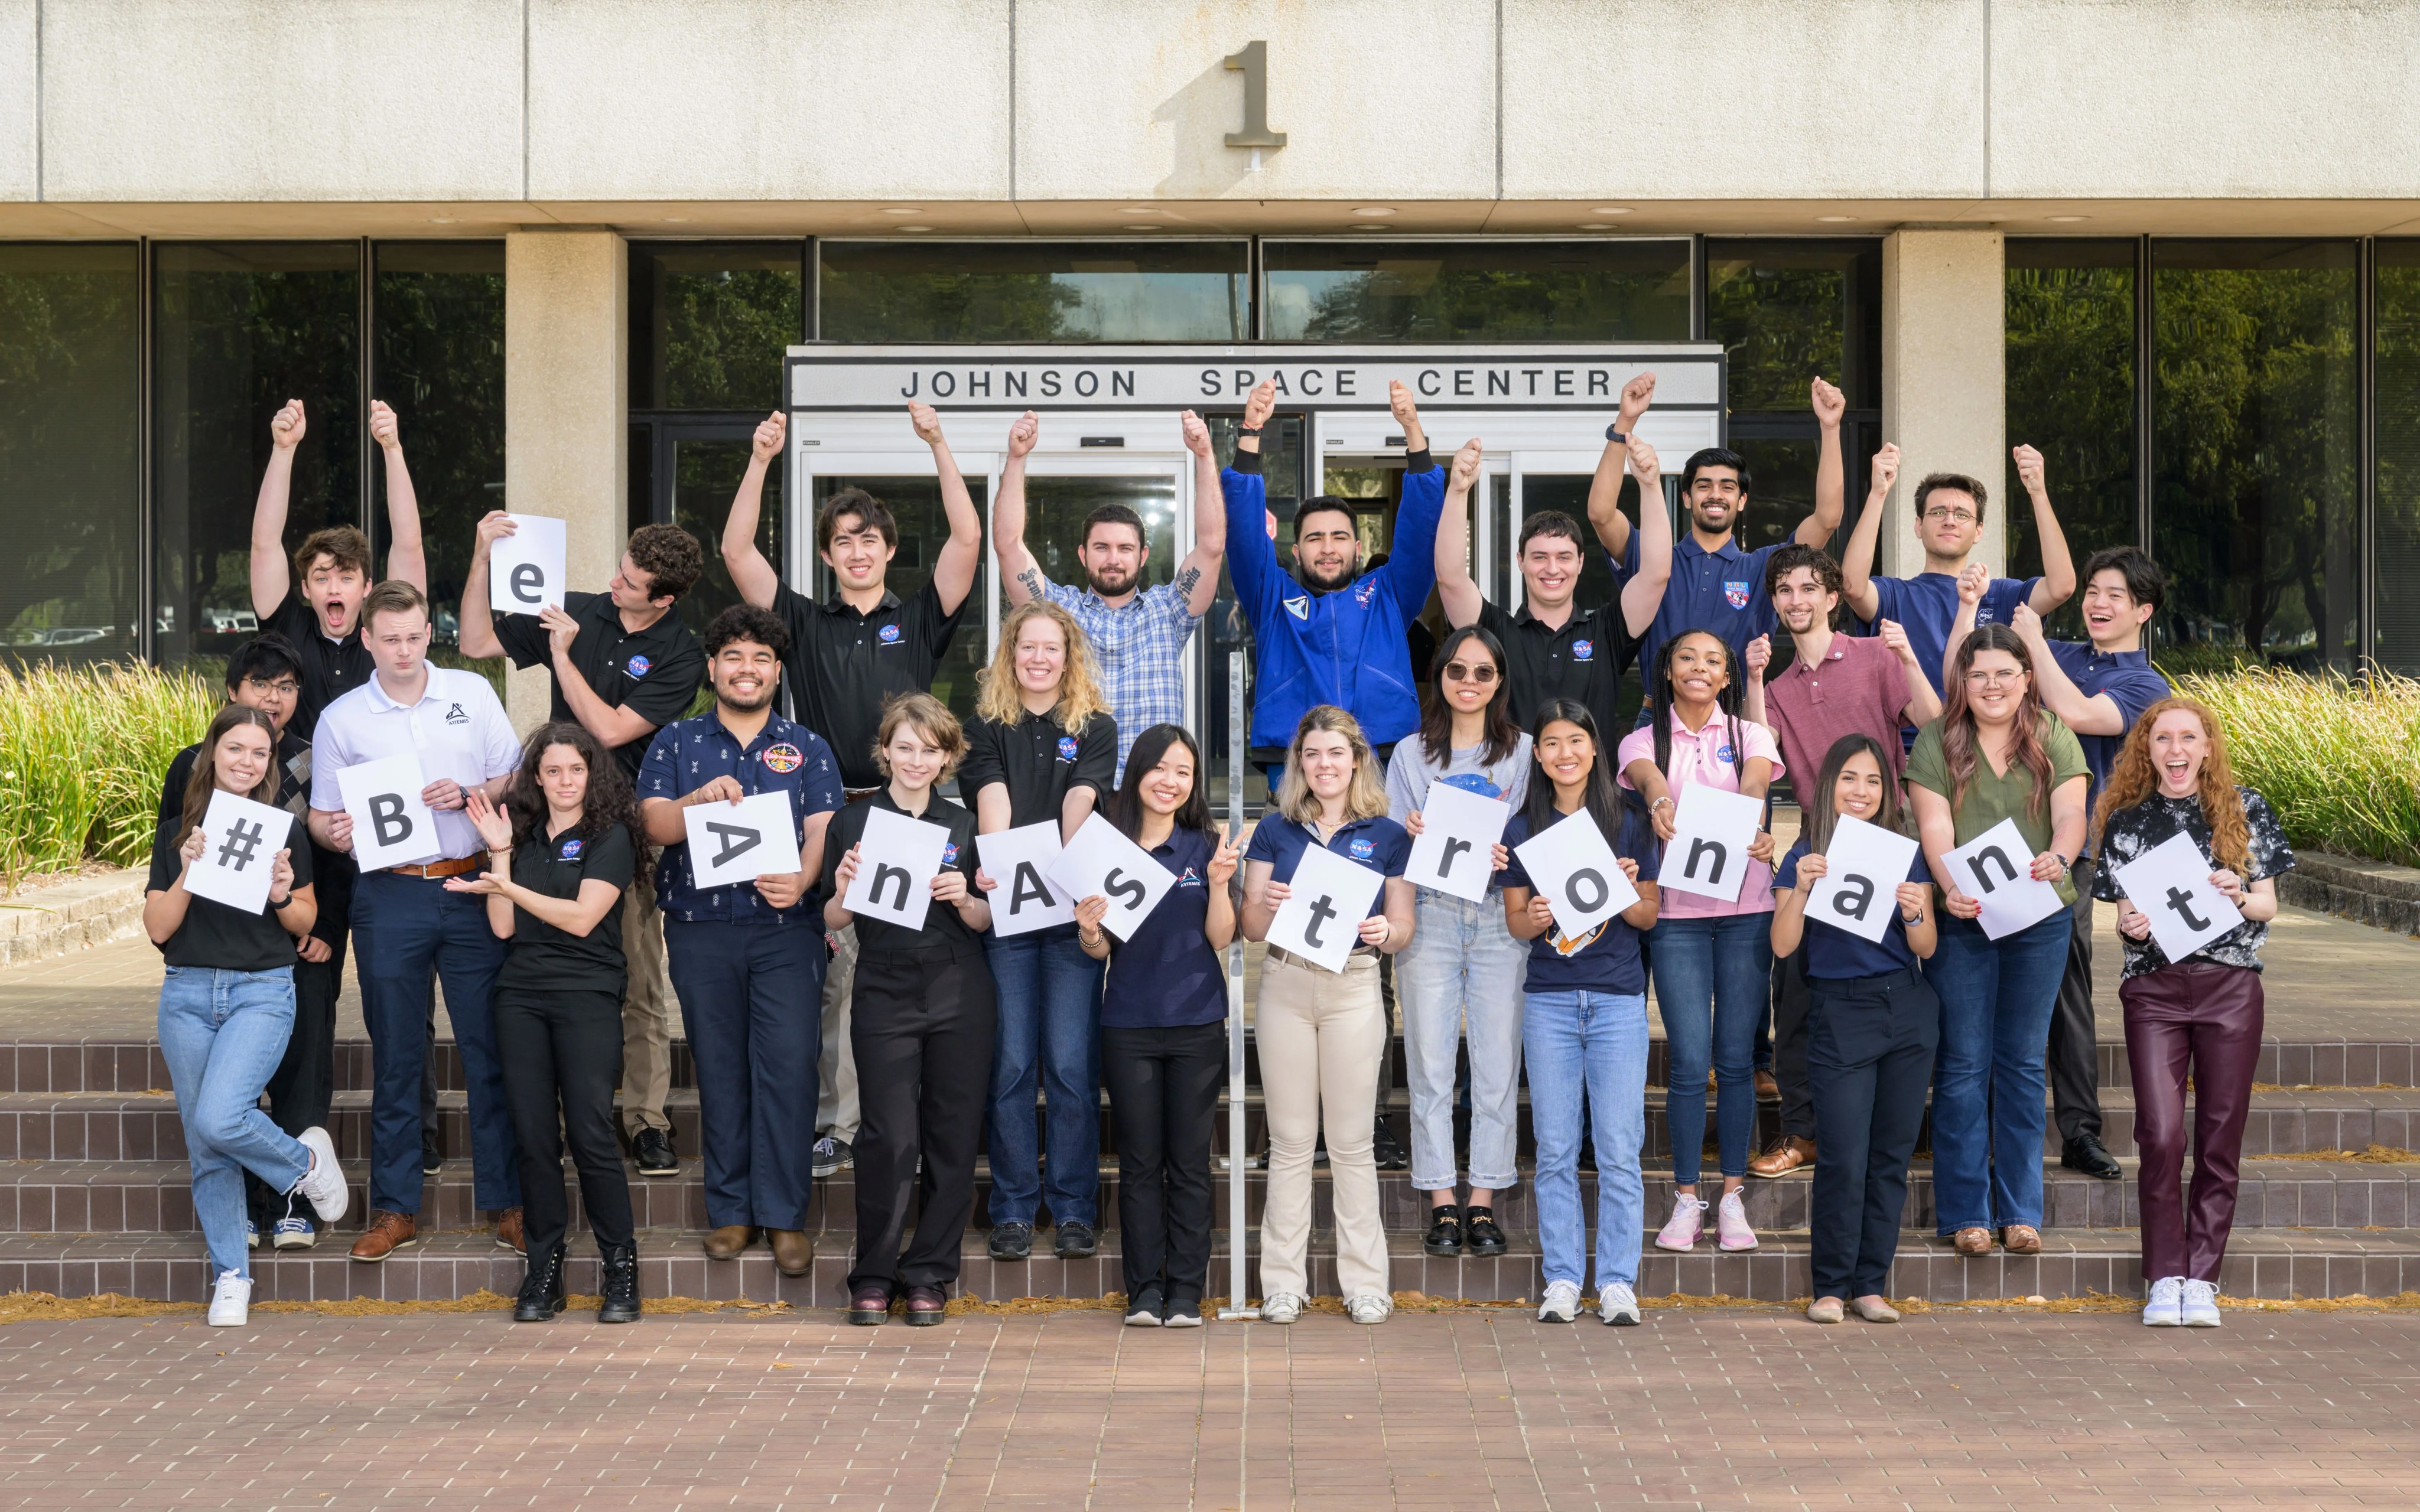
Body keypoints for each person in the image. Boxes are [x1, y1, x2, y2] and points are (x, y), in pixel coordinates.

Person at [724, 406, 982, 1185]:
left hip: (924, 807)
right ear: (831, 554)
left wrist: (939, 445)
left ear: (888, 550)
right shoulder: (802, 619)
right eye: (844, 540)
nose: (858, 549)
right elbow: (736, 549)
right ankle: (842, 1125)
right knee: (845, 974)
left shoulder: (917, 616)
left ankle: (929, 1120)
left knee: (937, 960)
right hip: (843, 811)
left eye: (870, 538)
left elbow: (967, 542)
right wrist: (761, 457)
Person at [460, 515, 707, 1182]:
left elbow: (605, 727)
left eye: (629, 580)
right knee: (551, 968)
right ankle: (569, 1121)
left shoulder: (682, 653)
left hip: (623, 830)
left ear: (664, 598)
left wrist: (562, 657)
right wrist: (482, 555)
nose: (613, 581)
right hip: (550, 822)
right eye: (619, 566)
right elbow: (477, 638)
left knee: (638, 981)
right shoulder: (579, 609)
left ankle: (647, 1121)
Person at [246, 397, 441, 1182]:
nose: (333, 584)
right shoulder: (285, 631)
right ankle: (305, 1143)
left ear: (369, 589)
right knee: (310, 1000)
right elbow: (263, 539)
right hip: (310, 850)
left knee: (404, 1002)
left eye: (347, 574)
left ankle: (420, 1137)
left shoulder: (384, 634)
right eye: (320, 574)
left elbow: (413, 544)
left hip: (391, 848)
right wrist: (284, 448)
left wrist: (392, 447)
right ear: (307, 584)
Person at [308, 581, 524, 1262]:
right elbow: (319, 814)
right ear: (366, 641)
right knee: (396, 1053)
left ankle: (508, 1201)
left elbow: (514, 779)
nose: (402, 651)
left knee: (488, 1047)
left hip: (467, 881)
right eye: (388, 639)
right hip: (389, 893)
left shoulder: (472, 693)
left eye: (413, 636)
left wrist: (469, 794)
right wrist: (334, 833)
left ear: (429, 633)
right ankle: (396, 1208)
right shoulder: (342, 718)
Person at [1947, 547, 2175, 1184]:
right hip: (1992, 845)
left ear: (2143, 611)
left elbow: (2075, 713)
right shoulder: (2061, 651)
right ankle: (1979, 1123)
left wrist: (2034, 643)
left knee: (2065, 987)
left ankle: (2078, 1129)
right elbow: (1975, 681)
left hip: (2065, 854)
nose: (2097, 604)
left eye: (2114, 596)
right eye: (2093, 592)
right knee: (1980, 979)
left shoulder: (2144, 684)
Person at [637, 606, 843, 1278]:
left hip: (787, 932)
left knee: (786, 1068)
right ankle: (731, 1212)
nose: (746, 669)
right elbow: (655, 825)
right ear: (712, 668)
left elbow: (821, 829)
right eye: (733, 657)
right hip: (701, 931)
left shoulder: (807, 746)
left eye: (759, 658)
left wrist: (804, 878)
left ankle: (785, 1216)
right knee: (721, 1069)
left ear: (776, 671)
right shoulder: (675, 742)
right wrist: (696, 799)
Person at [1738, 545, 1942, 1179]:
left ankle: (1900, 1124)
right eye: (1784, 590)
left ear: (1832, 596)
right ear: (1774, 602)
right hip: (1820, 840)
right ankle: (1803, 1133)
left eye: (1809, 588)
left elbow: (1932, 725)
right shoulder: (1774, 687)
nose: (1796, 600)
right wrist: (1749, 681)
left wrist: (1908, 658)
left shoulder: (1874, 656)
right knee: (1798, 988)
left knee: (1899, 973)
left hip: (1885, 832)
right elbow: (1757, 755)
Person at [2089, 698, 2293, 1329]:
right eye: (2162, 739)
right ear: (2146, 750)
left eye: (2188, 738)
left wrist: (2239, 894)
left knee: (2218, 1135)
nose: (2175, 750)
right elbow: (2124, 918)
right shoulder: (2125, 821)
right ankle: (2163, 1274)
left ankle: (2200, 1278)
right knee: (2159, 1133)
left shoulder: (2246, 807)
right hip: (2153, 991)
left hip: (2230, 987)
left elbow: (2268, 907)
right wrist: (2130, 922)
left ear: (2207, 747)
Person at [145, 705, 350, 1327]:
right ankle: (231, 1274)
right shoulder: (179, 829)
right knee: (206, 1145)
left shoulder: (282, 831)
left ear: (268, 763)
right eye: (236, 748)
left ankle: (302, 1166)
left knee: (218, 1116)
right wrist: (188, 869)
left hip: (262, 990)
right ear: (213, 752)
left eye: (259, 753)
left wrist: (282, 892)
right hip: (186, 993)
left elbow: (305, 923)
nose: (246, 761)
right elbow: (158, 928)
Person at [448, 723, 648, 1326]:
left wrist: (504, 881)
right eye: (554, 770)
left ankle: (621, 1268)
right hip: (521, 998)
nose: (565, 781)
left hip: (586, 994)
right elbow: (505, 929)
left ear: (593, 775)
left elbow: (585, 917)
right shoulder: (523, 837)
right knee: (533, 1137)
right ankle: (544, 1268)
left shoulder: (609, 835)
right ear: (537, 775)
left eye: (576, 770)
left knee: (588, 1132)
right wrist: (502, 854)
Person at [1906, 624, 2089, 1257]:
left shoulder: (2053, 736)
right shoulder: (1936, 741)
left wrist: (2061, 857)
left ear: (2026, 678)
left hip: (2038, 917)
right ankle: (1965, 1212)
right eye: (1978, 674)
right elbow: (1934, 825)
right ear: (1962, 681)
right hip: (1964, 920)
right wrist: (1947, 884)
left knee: (2018, 1061)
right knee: (1961, 1064)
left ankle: (2019, 1210)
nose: (1991, 686)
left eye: (2004, 674)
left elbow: (2070, 814)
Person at [1240, 706, 1416, 1327]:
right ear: (1298, 763)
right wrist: (1262, 900)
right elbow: (1252, 929)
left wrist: (1385, 929)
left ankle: (1365, 1283)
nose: (1323, 765)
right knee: (1289, 1142)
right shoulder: (1274, 831)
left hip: (1354, 984)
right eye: (1312, 754)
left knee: (1351, 1143)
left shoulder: (1388, 834)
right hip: (1286, 982)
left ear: (1357, 759)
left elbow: (1403, 927)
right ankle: (1282, 1284)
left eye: (1335, 753)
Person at [824, 694, 995, 1327]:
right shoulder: (855, 822)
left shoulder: (966, 824)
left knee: (951, 1137)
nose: (916, 759)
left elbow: (986, 919)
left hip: (958, 986)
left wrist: (963, 898)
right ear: (885, 751)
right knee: (889, 1137)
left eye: (930, 749)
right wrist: (842, 888)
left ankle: (929, 1275)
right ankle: (872, 1275)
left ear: (947, 756)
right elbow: (832, 918)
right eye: (904, 747)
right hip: (884, 984)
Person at [962, 601, 1118, 1263]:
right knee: (1012, 1065)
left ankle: (1075, 1207)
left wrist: (1067, 868)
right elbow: (991, 807)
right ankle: (1014, 1208)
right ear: (1011, 652)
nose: (1038, 658)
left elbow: (1081, 799)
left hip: (1072, 915)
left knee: (1073, 1067)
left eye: (1051, 648)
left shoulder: (1097, 726)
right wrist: (1006, 867)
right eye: (1027, 646)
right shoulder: (983, 726)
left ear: (1068, 655)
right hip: (1011, 915)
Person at [1618, 631, 1783, 1254]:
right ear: (1666, 671)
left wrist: (1755, 827)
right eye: (1687, 657)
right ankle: (1688, 1199)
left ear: (1726, 677)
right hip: (1678, 918)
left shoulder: (1750, 736)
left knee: (1736, 1058)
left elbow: (1755, 789)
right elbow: (1648, 778)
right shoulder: (1642, 737)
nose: (1699, 667)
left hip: (1747, 911)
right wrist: (1660, 800)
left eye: (1714, 660)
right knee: (1689, 1061)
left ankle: (1733, 1197)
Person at [1500, 700, 1662, 1327]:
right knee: (1557, 1147)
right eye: (1551, 743)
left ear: (1596, 749)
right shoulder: (1523, 828)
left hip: (1618, 998)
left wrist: (1624, 892)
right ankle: (1563, 1277)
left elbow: (1649, 914)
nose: (1564, 752)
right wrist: (1534, 918)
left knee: (1620, 1147)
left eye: (1576, 740)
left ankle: (1618, 1280)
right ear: (1537, 756)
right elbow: (1518, 922)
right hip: (1550, 1000)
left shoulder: (1628, 820)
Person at [1770, 734, 1939, 1325]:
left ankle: (1870, 1284)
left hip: (1906, 1007)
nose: (1860, 790)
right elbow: (1783, 944)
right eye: (1848, 778)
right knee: (1843, 1155)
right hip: (1838, 1012)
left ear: (1886, 789)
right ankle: (1831, 1286)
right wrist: (1803, 891)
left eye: (1872, 780)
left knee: (1890, 1155)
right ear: (1828, 786)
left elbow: (1925, 945)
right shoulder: (1806, 852)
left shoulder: (1904, 850)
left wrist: (1917, 909)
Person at [1077, 725, 1241, 1329]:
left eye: (1184, 772)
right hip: (1128, 1023)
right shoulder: (1107, 845)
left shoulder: (1206, 845)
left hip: (1197, 1021)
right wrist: (1089, 928)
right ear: (1138, 771)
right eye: (1161, 768)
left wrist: (1220, 885)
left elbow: (1222, 937)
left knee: (1190, 1163)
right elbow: (1099, 949)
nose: (1170, 781)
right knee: (1141, 1162)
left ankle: (1185, 1292)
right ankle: (1144, 1290)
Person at [1385, 625, 1529, 1259]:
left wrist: (1511, 851)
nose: (1468, 683)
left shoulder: (1522, 752)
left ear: (1499, 682)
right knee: (1430, 1062)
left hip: (1501, 914)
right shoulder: (1410, 754)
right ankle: (1442, 1199)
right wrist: (1410, 832)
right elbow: (1391, 847)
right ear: (1439, 677)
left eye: (1483, 673)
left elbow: (1536, 832)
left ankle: (1483, 1200)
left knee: (1496, 1066)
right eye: (1457, 671)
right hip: (1433, 914)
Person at [1224, 378, 1444, 775]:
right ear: (1296, 551)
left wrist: (1412, 428)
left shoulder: (1387, 595)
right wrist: (1251, 432)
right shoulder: (1273, 598)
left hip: (1384, 755)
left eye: (1339, 537)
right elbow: (1243, 533)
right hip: (1295, 760)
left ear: (1358, 548)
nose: (1328, 548)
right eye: (1315, 538)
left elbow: (1421, 531)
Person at [994, 408, 1226, 777]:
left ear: (1143, 556)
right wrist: (1017, 459)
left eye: (1125, 549)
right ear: (1084, 554)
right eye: (1101, 548)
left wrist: (1203, 456)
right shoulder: (1057, 611)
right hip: (1079, 793)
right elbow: (1008, 545)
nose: (1113, 559)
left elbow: (1212, 544)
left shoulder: (1169, 610)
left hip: (1154, 792)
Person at [1591, 375, 1849, 677]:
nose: (1715, 494)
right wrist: (1625, 423)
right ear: (1687, 497)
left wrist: (1830, 429)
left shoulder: (1764, 567)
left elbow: (1828, 518)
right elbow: (1601, 514)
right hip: (1659, 715)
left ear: (1742, 501)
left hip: (1735, 716)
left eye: (1727, 487)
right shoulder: (1653, 559)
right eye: (1704, 486)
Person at [1434, 431, 1671, 735]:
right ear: (1521, 561)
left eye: (1564, 557)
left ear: (1580, 563)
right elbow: (1450, 579)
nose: (1552, 568)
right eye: (1539, 557)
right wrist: (1457, 491)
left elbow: (1656, 575)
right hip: (1512, 783)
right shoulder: (1495, 630)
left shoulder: (1608, 630)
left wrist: (1650, 485)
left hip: (1592, 783)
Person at [1838, 442, 2078, 709]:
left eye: (1962, 515)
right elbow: (1851, 586)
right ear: (1919, 526)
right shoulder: (1894, 595)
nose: (1950, 520)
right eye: (1938, 512)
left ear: (1978, 531)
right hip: (1909, 745)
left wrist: (2038, 493)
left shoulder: (2001, 595)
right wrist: (1878, 493)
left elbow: (2062, 587)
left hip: (1985, 743)